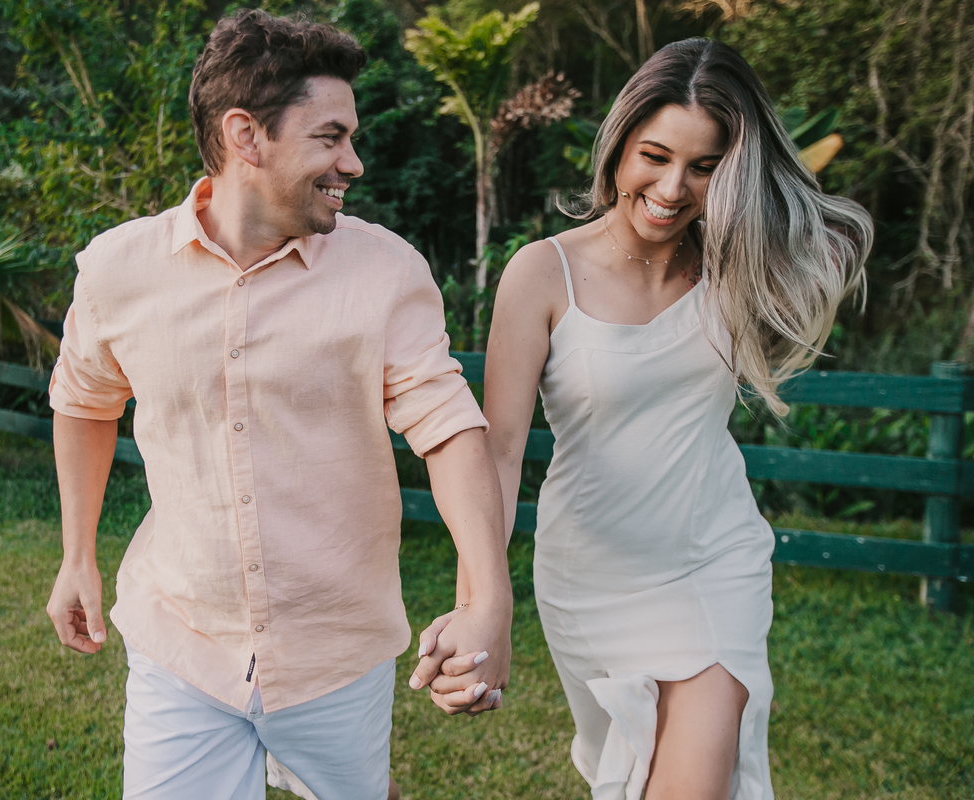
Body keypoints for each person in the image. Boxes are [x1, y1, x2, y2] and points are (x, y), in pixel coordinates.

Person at [43, 10, 512, 800]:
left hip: (336, 651)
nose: (352, 162)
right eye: (329, 137)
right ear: (245, 136)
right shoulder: (118, 269)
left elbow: (449, 429)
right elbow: (85, 402)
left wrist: (488, 599)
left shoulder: (386, 272)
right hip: (182, 639)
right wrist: (76, 554)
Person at [465, 37, 870, 800]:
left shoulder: (735, 264)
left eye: (706, 166)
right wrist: (484, 603)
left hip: (713, 560)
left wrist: (757, 212)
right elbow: (500, 450)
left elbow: (833, 240)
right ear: (618, 146)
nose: (673, 187)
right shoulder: (541, 272)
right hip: (590, 577)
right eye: (654, 155)